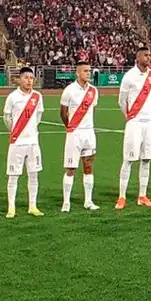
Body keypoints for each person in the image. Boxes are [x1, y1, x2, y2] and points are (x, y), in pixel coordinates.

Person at [117, 46, 151, 209]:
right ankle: (122, 196)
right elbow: (122, 101)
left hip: (149, 122)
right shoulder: (129, 77)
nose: (149, 58)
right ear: (138, 57)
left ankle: (142, 195)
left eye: (150, 55)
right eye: (146, 55)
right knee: (128, 159)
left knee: (146, 158)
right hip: (134, 122)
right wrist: (131, 116)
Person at [3, 67, 44, 218]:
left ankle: (32, 206)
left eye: (31, 78)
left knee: (34, 175)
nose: (28, 81)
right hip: (17, 142)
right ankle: (11, 208)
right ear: (19, 79)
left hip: (33, 142)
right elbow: (7, 118)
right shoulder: (13, 97)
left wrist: (31, 130)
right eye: (26, 78)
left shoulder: (38, 96)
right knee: (13, 175)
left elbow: (38, 116)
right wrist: (16, 131)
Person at [60, 62, 100, 212]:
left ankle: (88, 201)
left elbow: (92, 112)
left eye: (89, 71)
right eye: (85, 71)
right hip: (74, 133)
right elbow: (63, 113)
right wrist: (70, 127)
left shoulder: (93, 91)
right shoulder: (69, 90)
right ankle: (66, 202)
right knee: (70, 168)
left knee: (88, 166)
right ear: (78, 73)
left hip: (89, 133)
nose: (88, 73)